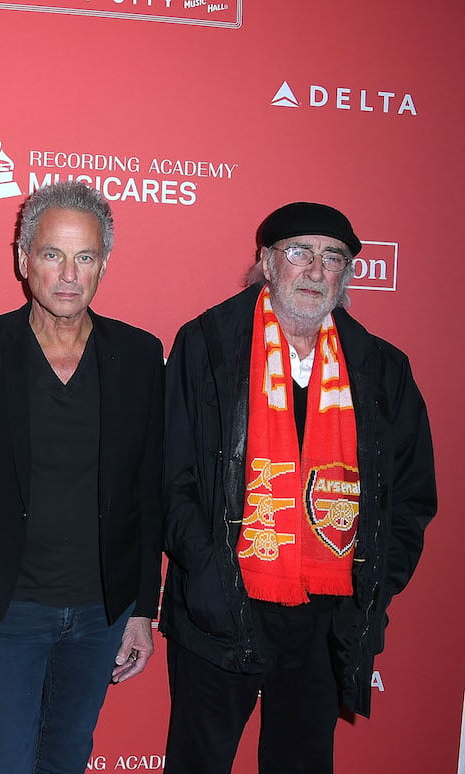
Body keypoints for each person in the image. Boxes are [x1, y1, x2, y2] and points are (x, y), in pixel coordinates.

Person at [159, 202, 437, 773]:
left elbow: (411, 496)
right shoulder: (208, 346)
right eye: (298, 253)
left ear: (347, 273)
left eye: (332, 257)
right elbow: (171, 478)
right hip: (222, 602)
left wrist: (373, 584)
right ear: (265, 261)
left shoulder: (382, 369)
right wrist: (209, 579)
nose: (315, 270)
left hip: (327, 614)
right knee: (199, 762)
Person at [0, 181, 164, 774]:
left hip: (101, 611)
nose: (69, 274)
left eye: (85, 256)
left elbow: (150, 491)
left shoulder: (140, 356)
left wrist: (143, 607)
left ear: (104, 264)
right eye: (51, 254)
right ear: (22, 259)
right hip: (4, 609)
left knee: (66, 760)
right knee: (6, 764)